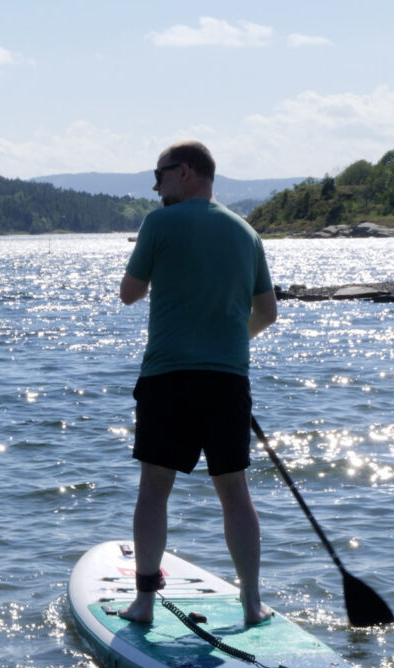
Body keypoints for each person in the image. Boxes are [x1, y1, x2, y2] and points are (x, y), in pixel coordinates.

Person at [118, 141, 278, 627]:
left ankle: (145, 603)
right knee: (235, 492)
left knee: (154, 491)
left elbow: (129, 294)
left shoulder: (158, 223)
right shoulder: (247, 232)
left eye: (160, 173)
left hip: (168, 377)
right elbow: (267, 313)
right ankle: (251, 603)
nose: (156, 184)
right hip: (227, 379)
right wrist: (228, 345)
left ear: (185, 172)